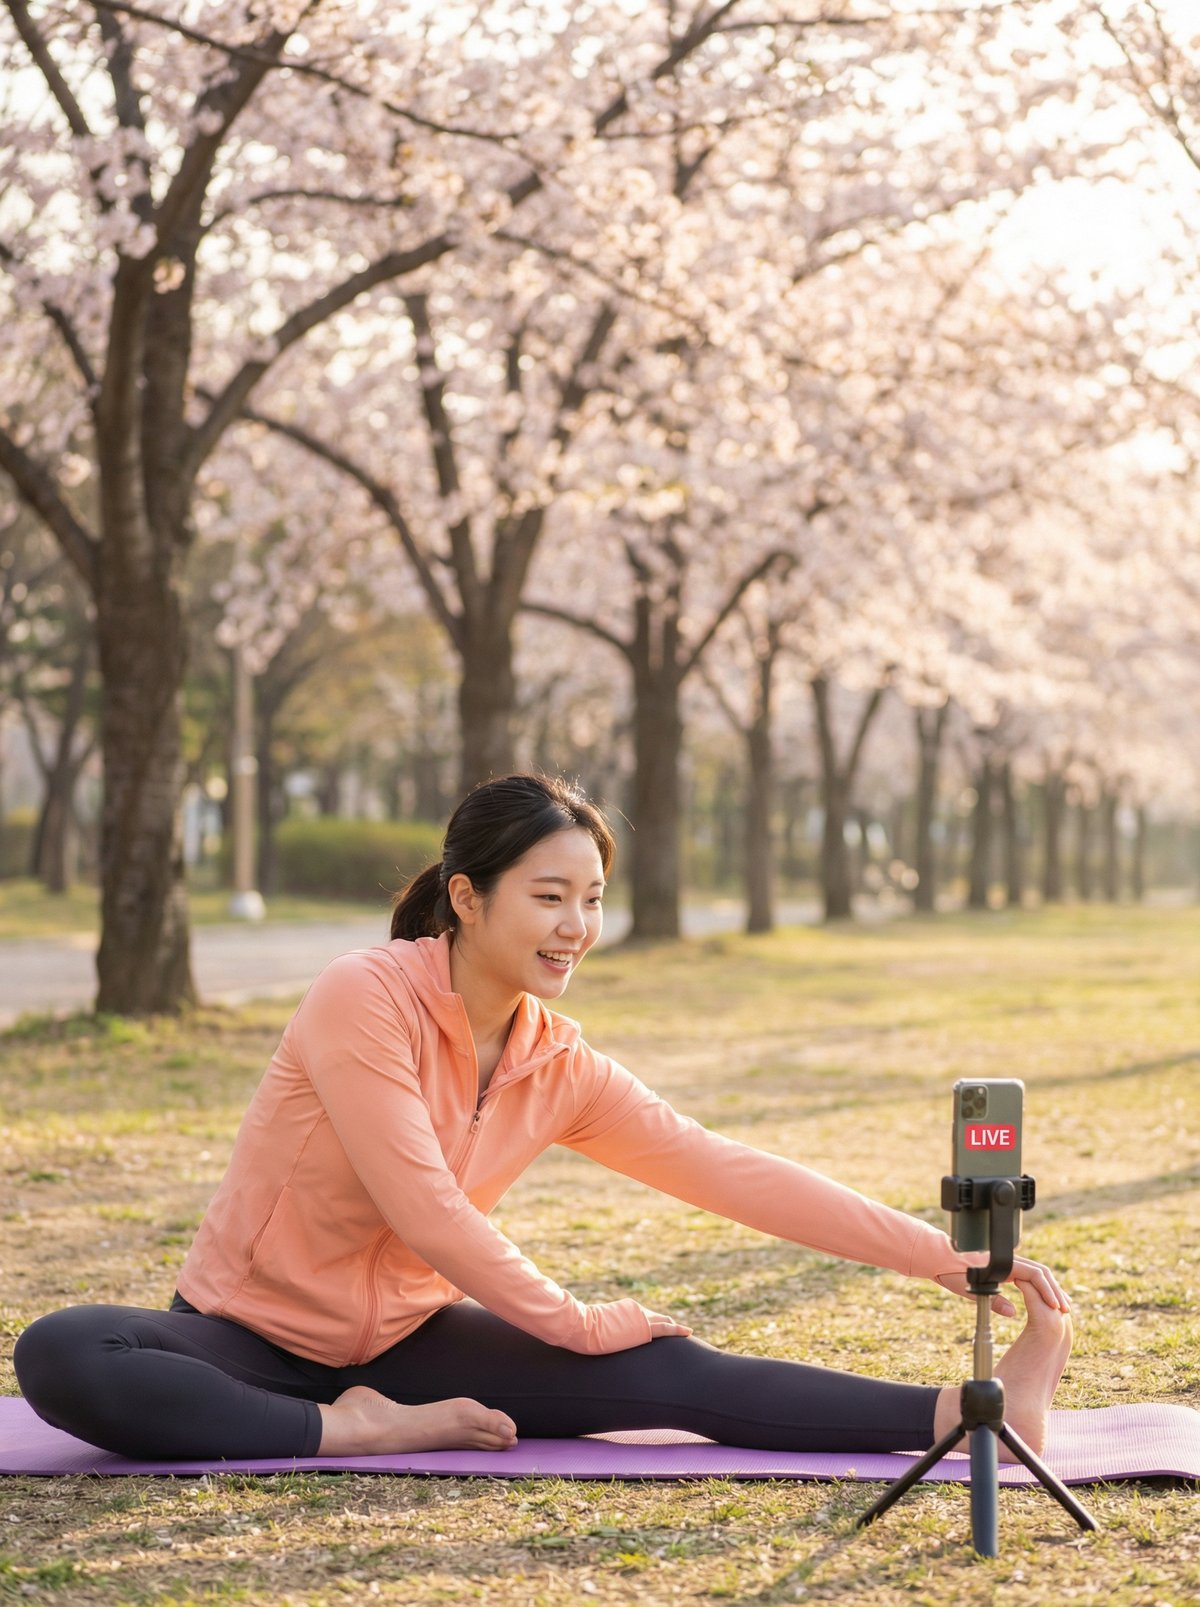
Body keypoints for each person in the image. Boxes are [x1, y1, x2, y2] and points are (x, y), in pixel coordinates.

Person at [14, 773, 1072, 1463]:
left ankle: (971, 1410)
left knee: (669, 1368)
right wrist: (566, 1318)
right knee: (64, 1350)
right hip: (245, 1341)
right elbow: (425, 1208)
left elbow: (723, 1167)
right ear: (468, 898)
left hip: (407, 1337)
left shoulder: (551, 1057)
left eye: (594, 897)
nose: (578, 926)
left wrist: (942, 1258)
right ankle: (349, 1430)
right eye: (550, 895)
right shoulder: (363, 994)